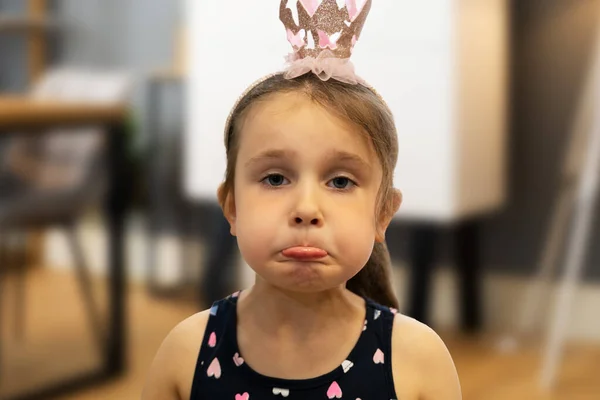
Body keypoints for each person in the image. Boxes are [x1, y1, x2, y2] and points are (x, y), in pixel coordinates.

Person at [143, 1, 461, 399]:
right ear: (232, 207)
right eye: (275, 178)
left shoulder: (417, 360)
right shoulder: (185, 355)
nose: (307, 209)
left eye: (341, 182)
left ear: (383, 213)